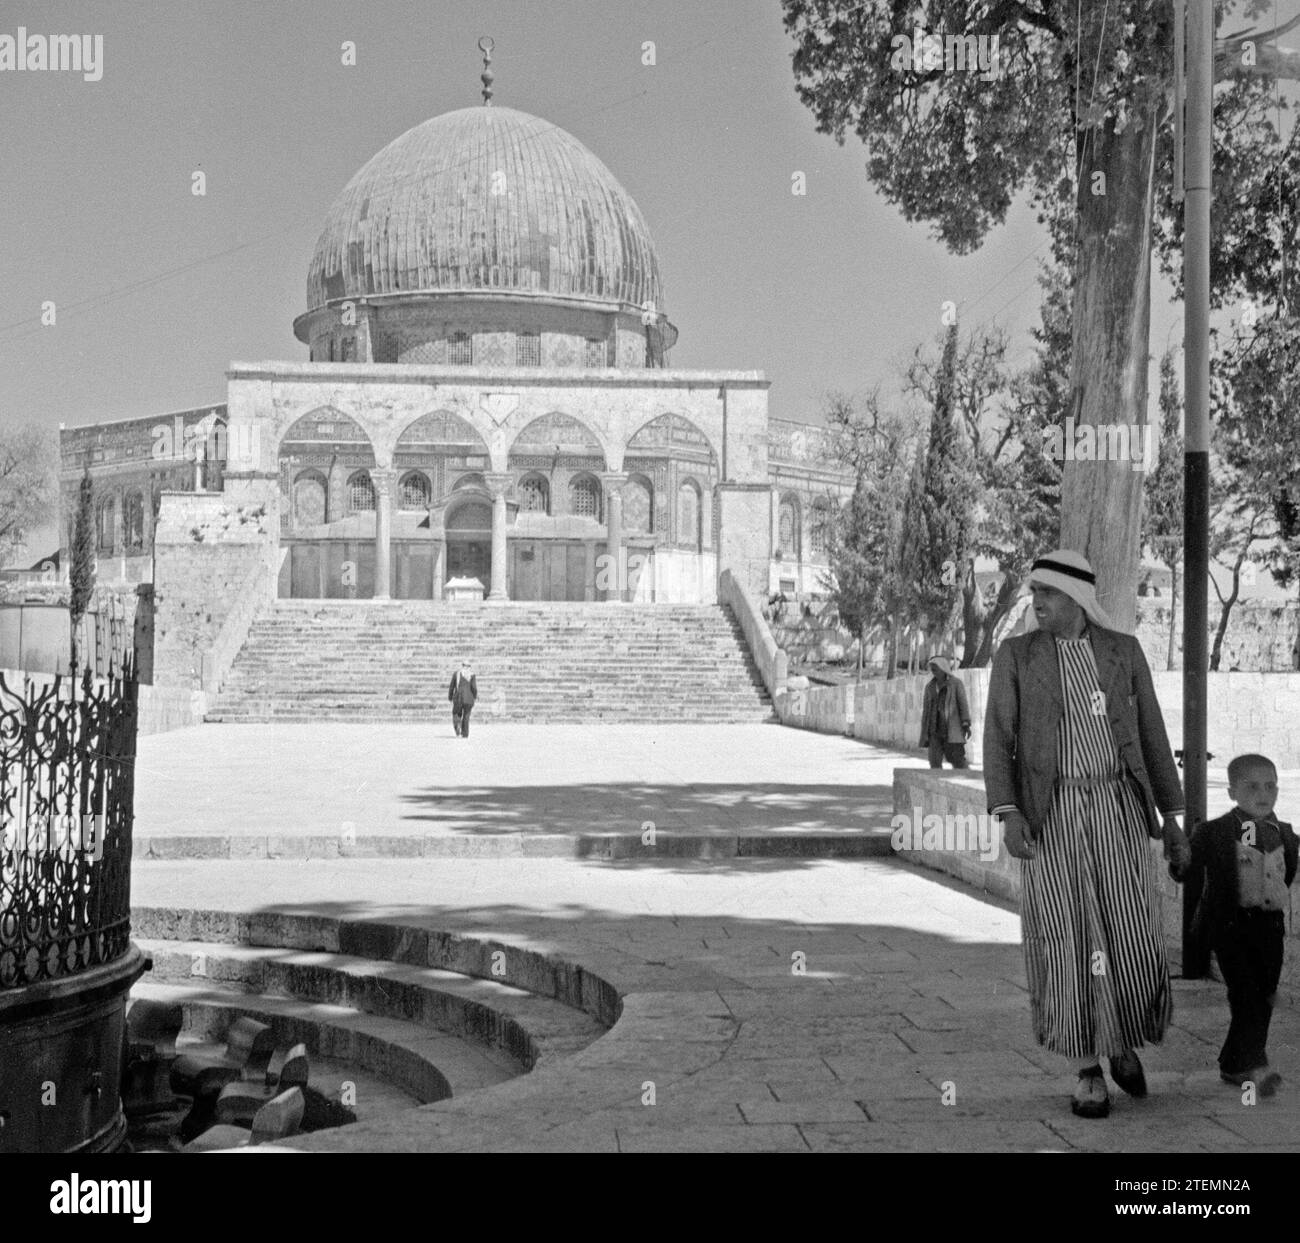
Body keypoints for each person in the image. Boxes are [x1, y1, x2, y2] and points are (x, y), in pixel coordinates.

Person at [983, 549, 1190, 1119]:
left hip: (1119, 809)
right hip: (1052, 816)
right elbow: (999, 738)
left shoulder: (1123, 651)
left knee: (1130, 930)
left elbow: (1151, 730)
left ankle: (1121, 1039)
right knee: (1065, 933)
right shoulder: (1017, 656)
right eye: (1034, 594)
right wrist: (1009, 814)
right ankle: (1088, 1069)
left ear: (1076, 599)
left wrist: (1172, 820)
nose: (1037, 603)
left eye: (1046, 594)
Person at [1181, 754, 1296, 1095]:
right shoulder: (1213, 832)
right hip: (1230, 927)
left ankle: (1233, 1063)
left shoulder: (1286, 835)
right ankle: (1256, 1066)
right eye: (1252, 786)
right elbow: (1186, 870)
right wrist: (1178, 858)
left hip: (1270, 928)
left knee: (1265, 995)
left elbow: (1285, 874)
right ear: (1231, 792)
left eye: (1271, 785)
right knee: (1245, 993)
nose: (1264, 793)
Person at [918, 654, 971, 769]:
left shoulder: (956, 684)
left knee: (957, 761)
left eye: (935, 668)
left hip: (952, 729)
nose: (933, 671)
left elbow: (963, 704)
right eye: (932, 669)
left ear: (943, 668)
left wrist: (966, 722)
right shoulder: (930, 687)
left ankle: (966, 780)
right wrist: (924, 731)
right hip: (934, 731)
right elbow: (926, 710)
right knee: (934, 762)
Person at [448, 661, 477, 738]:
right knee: (466, 716)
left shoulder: (456, 674)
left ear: (462, 665)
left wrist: (450, 697)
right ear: (469, 666)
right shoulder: (472, 675)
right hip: (469, 699)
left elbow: (452, 686)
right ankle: (465, 733)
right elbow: (474, 688)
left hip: (459, 697)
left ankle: (458, 726)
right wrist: (474, 696)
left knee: (456, 713)